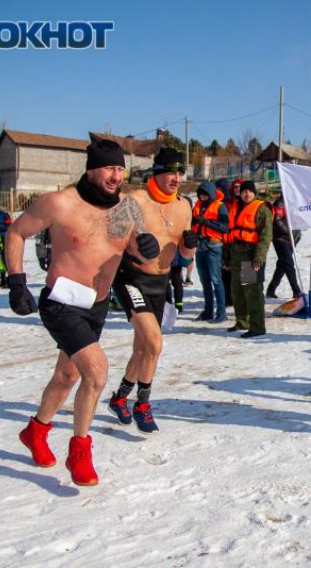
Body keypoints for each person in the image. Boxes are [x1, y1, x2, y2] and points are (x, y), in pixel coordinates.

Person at [8, 139, 160, 486]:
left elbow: (136, 248)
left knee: (67, 376)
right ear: (91, 168)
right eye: (109, 167)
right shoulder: (60, 203)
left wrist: (145, 249)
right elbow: (16, 232)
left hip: (97, 304)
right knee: (96, 371)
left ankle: (36, 431)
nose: (116, 175)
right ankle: (80, 451)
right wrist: (17, 282)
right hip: (61, 301)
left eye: (121, 168)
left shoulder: (126, 209)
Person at [109, 148, 197, 433]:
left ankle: (120, 397)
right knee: (154, 343)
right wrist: (135, 246)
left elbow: (184, 253)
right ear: (157, 172)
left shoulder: (185, 206)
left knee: (144, 348)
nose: (177, 178)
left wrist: (190, 244)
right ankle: (142, 404)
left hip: (161, 282)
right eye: (171, 171)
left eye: (180, 172)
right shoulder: (134, 201)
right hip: (132, 277)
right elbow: (109, 240)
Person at [225, 180, 273, 337]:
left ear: (254, 193)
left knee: (252, 292)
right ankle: (242, 322)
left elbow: (265, 237)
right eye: (244, 191)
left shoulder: (261, 209)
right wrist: (226, 257)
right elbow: (229, 233)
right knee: (237, 291)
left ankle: (257, 327)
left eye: (250, 191)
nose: (247, 194)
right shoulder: (235, 207)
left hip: (251, 255)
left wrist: (258, 258)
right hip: (236, 254)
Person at [192, 179, 229, 322]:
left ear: (212, 194)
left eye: (206, 195)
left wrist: (205, 222)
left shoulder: (220, 207)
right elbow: (191, 221)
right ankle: (208, 311)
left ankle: (221, 313)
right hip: (199, 246)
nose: (203, 198)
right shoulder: (198, 206)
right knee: (204, 280)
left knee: (216, 279)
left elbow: (224, 227)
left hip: (213, 246)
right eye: (201, 195)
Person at [266, 193, 303, 300]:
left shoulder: (295, 203)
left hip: (293, 239)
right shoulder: (280, 203)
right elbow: (277, 221)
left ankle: (271, 290)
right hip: (282, 238)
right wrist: (288, 233)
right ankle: (296, 291)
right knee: (288, 264)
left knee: (282, 265)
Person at [222, 177, 244, 308]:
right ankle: (228, 298)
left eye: (240, 187)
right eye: (235, 187)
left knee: (248, 274)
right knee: (227, 272)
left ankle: (251, 298)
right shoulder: (227, 205)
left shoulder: (251, 204)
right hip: (229, 243)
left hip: (246, 243)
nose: (237, 189)